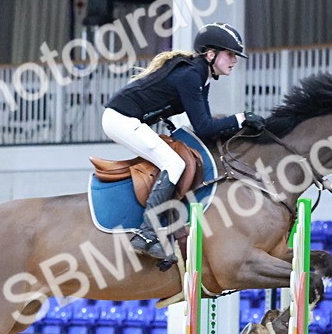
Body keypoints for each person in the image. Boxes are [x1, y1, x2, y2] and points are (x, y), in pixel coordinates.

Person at [103, 22, 265, 261]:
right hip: (120, 120)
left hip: (128, 119)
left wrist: (239, 127)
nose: (234, 60)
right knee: (174, 163)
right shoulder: (190, 75)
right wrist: (241, 119)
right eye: (230, 54)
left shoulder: (201, 76)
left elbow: (205, 129)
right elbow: (205, 126)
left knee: (175, 160)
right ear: (210, 54)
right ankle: (146, 234)